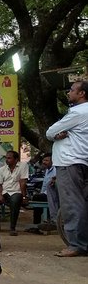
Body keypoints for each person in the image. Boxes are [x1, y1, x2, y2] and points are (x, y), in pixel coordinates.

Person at [46, 80, 88, 257]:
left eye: (72, 90)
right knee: (82, 203)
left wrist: (56, 136)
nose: (69, 93)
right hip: (82, 160)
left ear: (81, 94)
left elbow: (50, 132)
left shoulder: (77, 112)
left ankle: (76, 245)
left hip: (69, 161)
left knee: (72, 203)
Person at [0, 150, 29, 236]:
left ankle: (12, 228)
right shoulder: (2, 169)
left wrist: (24, 197)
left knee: (15, 201)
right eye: (6, 158)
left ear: (16, 159)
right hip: (5, 191)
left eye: (9, 158)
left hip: (17, 191)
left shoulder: (23, 166)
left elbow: (23, 182)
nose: (7, 160)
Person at [31, 153, 58, 229]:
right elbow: (44, 185)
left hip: (54, 195)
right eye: (43, 160)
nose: (44, 162)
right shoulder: (47, 170)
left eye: (46, 160)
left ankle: (36, 223)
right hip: (46, 194)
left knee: (36, 198)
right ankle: (39, 222)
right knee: (36, 196)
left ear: (52, 161)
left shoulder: (55, 169)